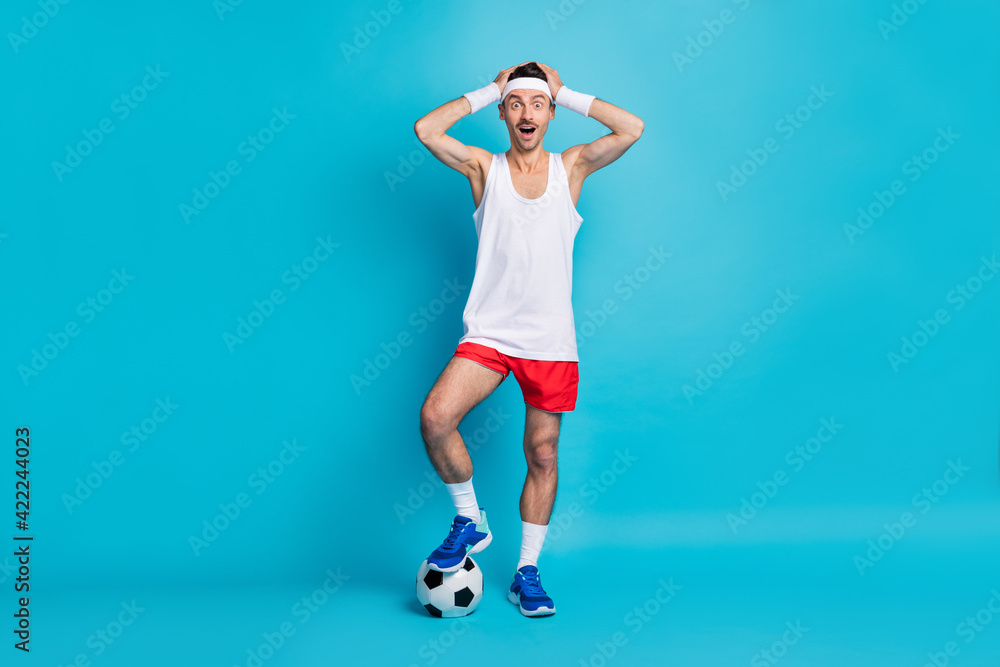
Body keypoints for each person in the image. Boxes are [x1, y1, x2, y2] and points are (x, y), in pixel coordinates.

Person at [412, 61, 643, 617]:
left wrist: (567, 90)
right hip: (490, 332)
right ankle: (469, 519)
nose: (526, 114)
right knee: (436, 417)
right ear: (503, 113)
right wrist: (492, 85)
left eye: (537, 104)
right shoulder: (482, 169)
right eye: (515, 104)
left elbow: (630, 128)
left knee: (542, 453)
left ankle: (527, 573)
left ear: (550, 113)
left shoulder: (573, 167)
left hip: (549, 340)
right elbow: (427, 130)